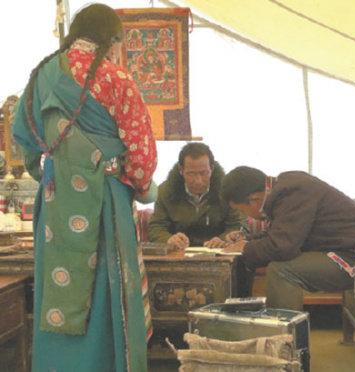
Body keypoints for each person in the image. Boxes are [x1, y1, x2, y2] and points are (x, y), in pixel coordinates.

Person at [12, 4, 158, 371]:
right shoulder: (116, 78)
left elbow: (21, 134)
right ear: (112, 39)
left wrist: (46, 170)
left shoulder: (41, 76)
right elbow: (141, 151)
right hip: (106, 198)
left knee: (59, 291)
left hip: (56, 202)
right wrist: (140, 185)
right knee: (107, 290)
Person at [221, 166, 355, 311]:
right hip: (342, 251)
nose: (244, 216)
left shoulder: (293, 192)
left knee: (282, 270)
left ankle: (285, 341)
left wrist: (246, 248)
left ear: (255, 199)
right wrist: (247, 240)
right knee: (269, 262)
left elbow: (283, 247)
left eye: (242, 211)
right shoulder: (285, 189)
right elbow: (284, 233)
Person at [148, 142, 244, 249]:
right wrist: (169, 239)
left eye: (204, 173)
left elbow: (238, 225)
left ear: (212, 169)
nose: (198, 181)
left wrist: (223, 239)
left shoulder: (228, 191)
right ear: (181, 170)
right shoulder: (164, 191)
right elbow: (156, 228)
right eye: (191, 174)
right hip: (179, 253)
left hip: (219, 252)